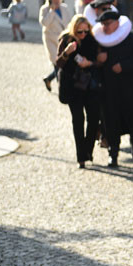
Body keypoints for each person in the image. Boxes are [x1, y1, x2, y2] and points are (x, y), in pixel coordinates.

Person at [92, 10, 133, 166]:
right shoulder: (100, 42)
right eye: (102, 24)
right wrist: (98, 61)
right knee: (110, 120)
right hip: (108, 89)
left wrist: (124, 66)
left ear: (117, 23)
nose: (105, 27)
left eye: (108, 24)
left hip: (130, 87)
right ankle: (113, 152)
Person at [55, 15, 104, 168]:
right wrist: (67, 52)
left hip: (90, 86)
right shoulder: (66, 40)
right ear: (73, 30)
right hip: (73, 86)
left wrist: (91, 63)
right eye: (79, 32)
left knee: (93, 118)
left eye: (85, 31)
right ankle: (81, 157)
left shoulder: (93, 41)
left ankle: (88, 149)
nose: (83, 34)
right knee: (78, 120)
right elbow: (58, 63)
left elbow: (99, 62)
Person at [39, 0, 71, 90]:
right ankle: (61, 87)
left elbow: (70, 22)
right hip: (51, 39)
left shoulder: (64, 8)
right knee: (57, 62)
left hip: (63, 39)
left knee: (64, 62)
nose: (56, 0)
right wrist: (52, 11)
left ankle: (48, 79)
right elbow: (45, 23)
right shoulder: (45, 9)